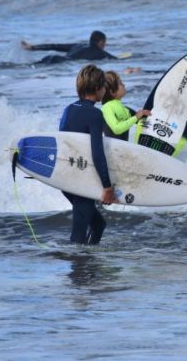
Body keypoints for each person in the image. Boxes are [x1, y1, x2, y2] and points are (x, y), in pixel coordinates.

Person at [59, 64, 117, 244]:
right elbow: (97, 152)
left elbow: (63, 143)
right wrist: (107, 186)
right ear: (98, 88)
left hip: (65, 177)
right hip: (80, 179)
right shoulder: (94, 114)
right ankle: (78, 268)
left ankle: (88, 267)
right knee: (78, 236)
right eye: (104, 88)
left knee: (98, 224)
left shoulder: (69, 109)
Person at [101, 71, 150, 141]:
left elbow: (143, 121)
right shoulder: (107, 108)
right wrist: (136, 117)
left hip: (122, 149)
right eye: (120, 83)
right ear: (112, 92)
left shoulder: (125, 109)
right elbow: (116, 129)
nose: (124, 85)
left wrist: (146, 115)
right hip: (113, 149)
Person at [22, 30, 118, 64]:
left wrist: (33, 47)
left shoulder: (78, 45)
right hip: (60, 62)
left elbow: (54, 46)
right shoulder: (100, 53)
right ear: (101, 42)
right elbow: (115, 59)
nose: (104, 45)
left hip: (52, 58)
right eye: (105, 43)